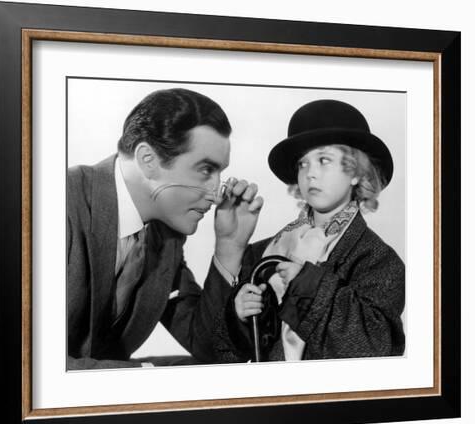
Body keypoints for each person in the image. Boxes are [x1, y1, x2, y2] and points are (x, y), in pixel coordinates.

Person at [67, 88, 263, 369]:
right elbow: (22, 363)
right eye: (206, 170)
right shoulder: (54, 201)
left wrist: (229, 246)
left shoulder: (166, 235)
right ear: (148, 160)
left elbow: (210, 348)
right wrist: (145, 377)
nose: (217, 193)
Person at [215, 99, 405, 362]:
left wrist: (308, 285)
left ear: (356, 173)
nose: (310, 174)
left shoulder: (378, 260)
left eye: (324, 160)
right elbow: (226, 350)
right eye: (303, 164)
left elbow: (374, 347)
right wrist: (240, 315)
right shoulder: (263, 253)